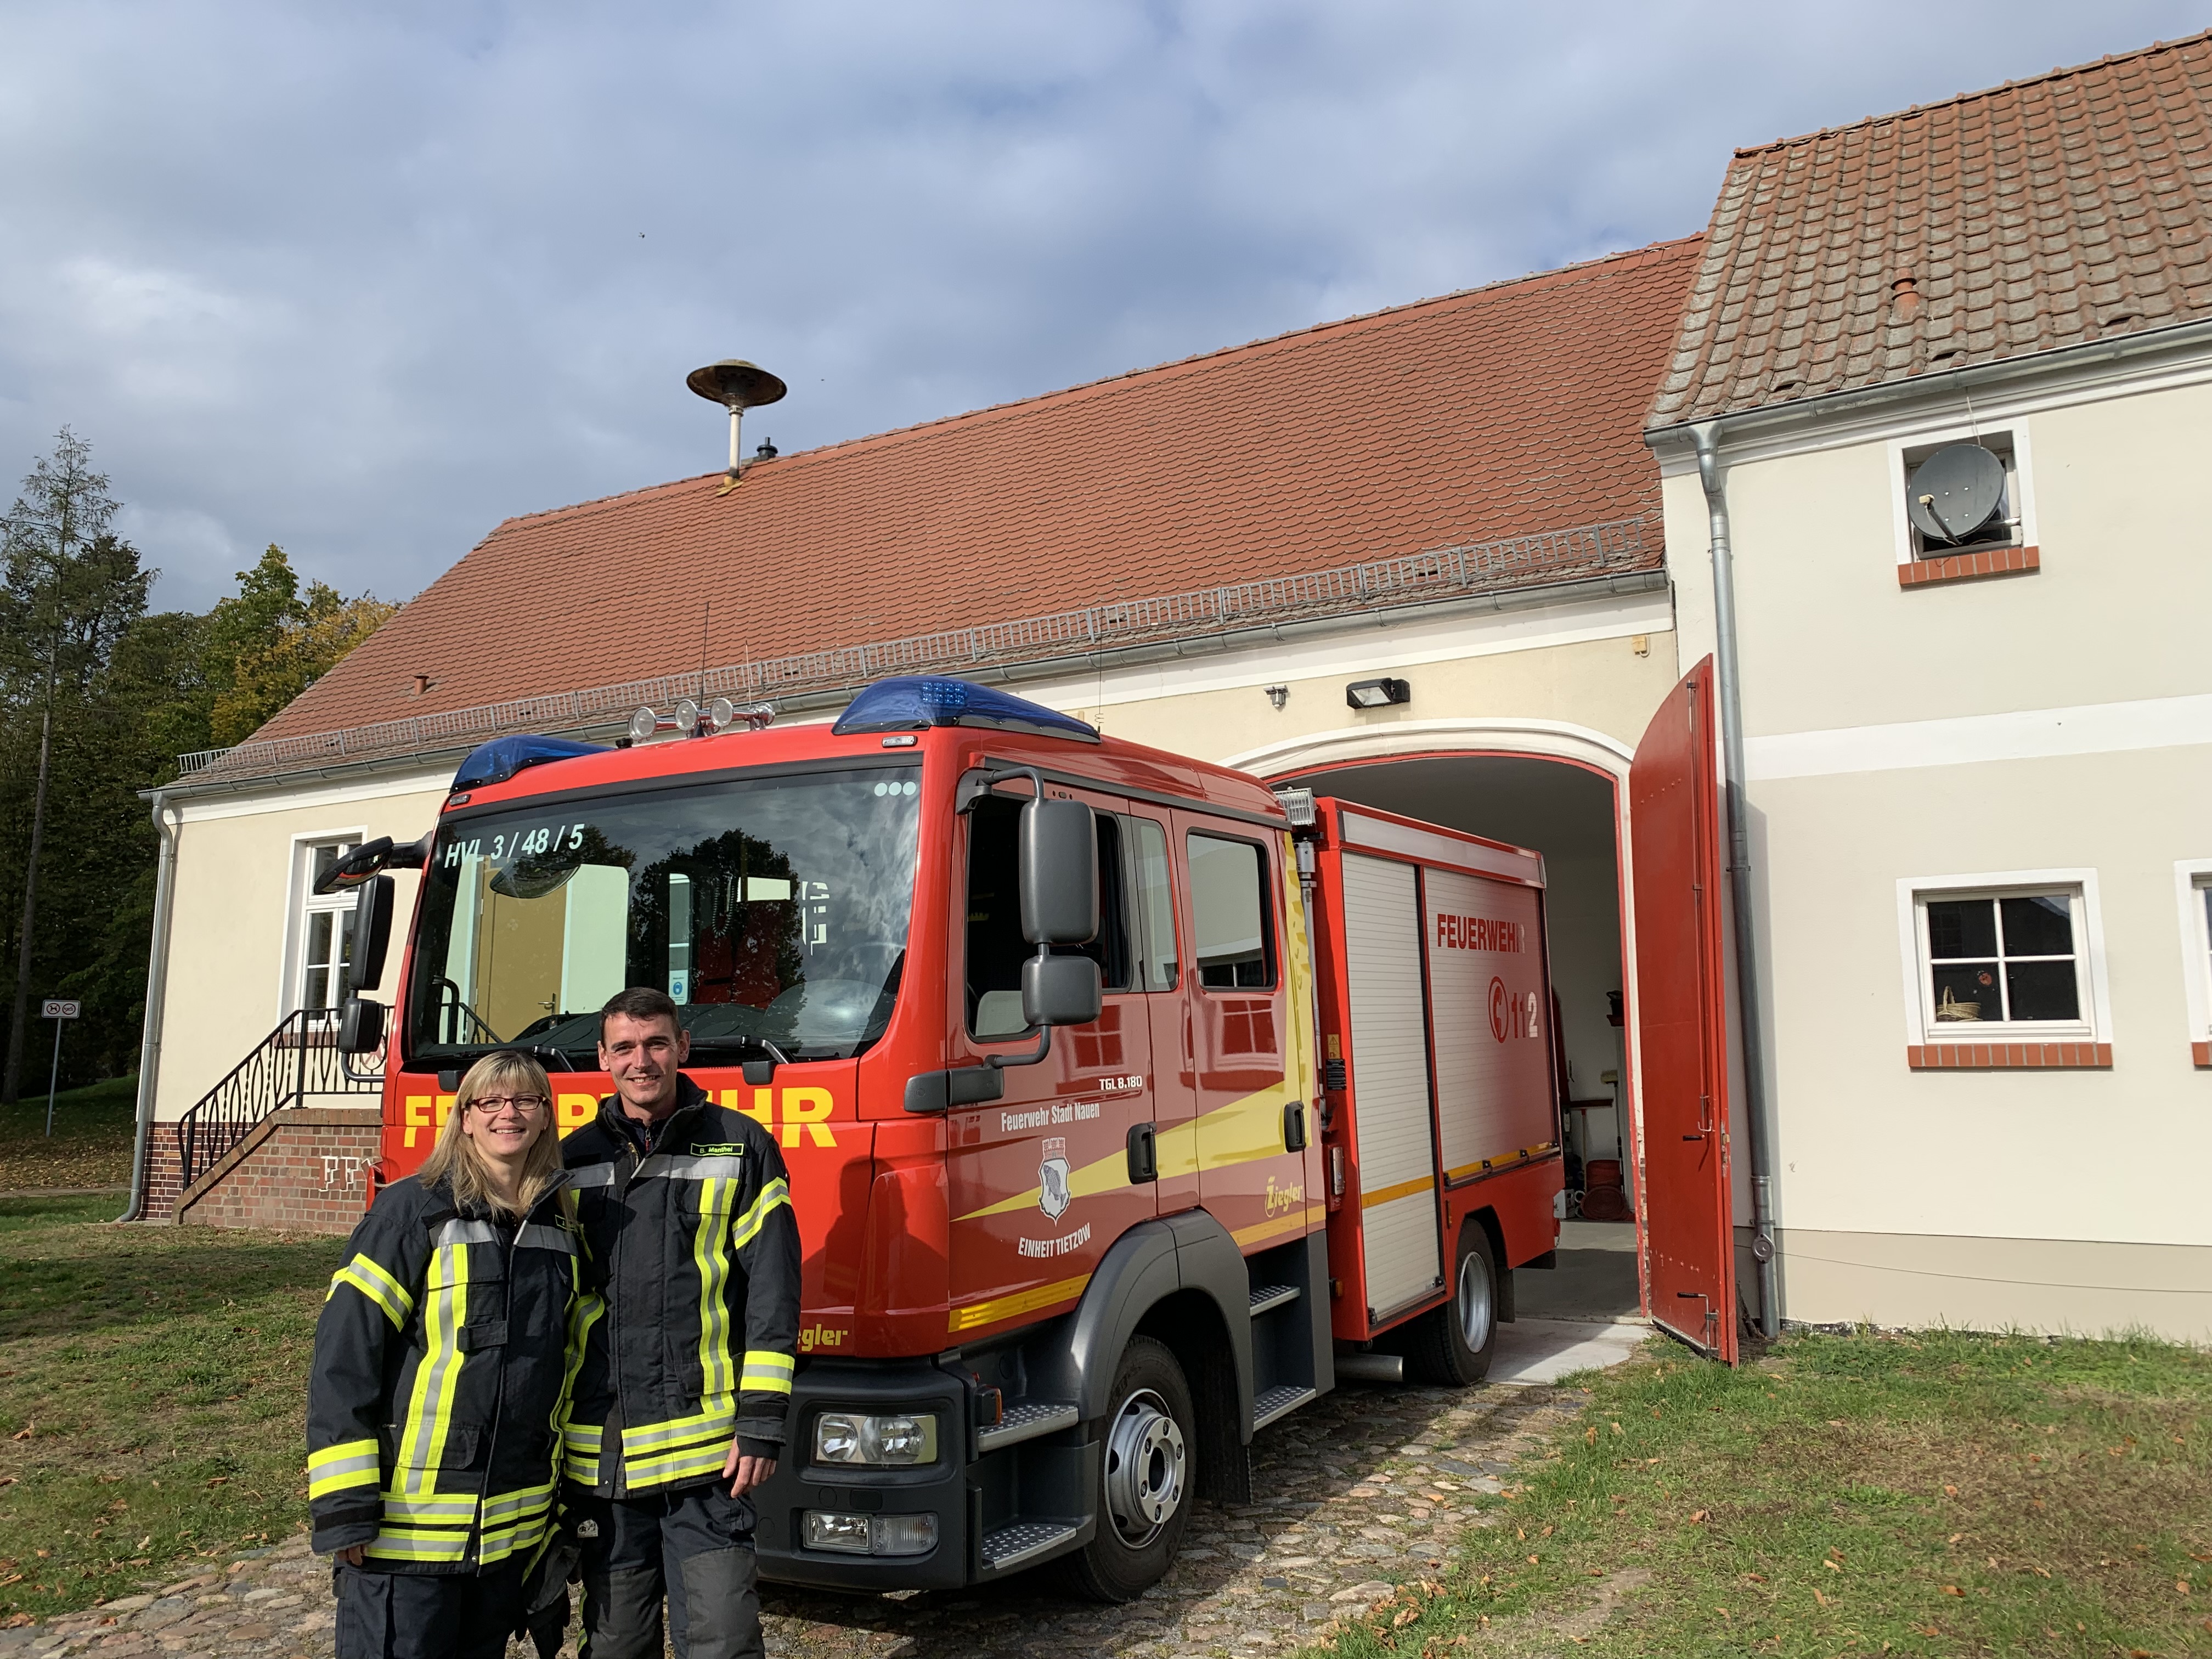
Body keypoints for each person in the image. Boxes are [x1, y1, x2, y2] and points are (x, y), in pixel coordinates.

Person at [307, 1052, 586, 1659]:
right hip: (405, 1538)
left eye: (524, 1101)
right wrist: (345, 1506)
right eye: (489, 1102)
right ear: (463, 1118)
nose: (507, 1114)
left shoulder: (560, 1228)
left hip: (506, 1545)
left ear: (545, 1118)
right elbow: (344, 1356)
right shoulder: (412, 1210)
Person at [561, 987, 801, 1659]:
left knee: (722, 1640)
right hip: (607, 1466)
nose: (644, 1061)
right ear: (604, 1059)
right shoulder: (572, 1161)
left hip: (709, 1465)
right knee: (616, 1645)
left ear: (683, 1049)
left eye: (657, 1044)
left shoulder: (741, 1144)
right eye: (627, 1048)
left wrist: (760, 1422)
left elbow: (773, 1296)